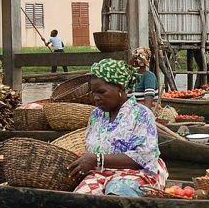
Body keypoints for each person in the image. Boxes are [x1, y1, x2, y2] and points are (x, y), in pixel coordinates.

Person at [68, 58, 168, 196]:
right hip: (100, 173)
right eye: (93, 93)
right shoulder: (96, 115)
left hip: (138, 173)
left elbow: (145, 156)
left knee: (116, 193)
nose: (96, 98)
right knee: (81, 199)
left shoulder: (141, 114)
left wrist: (98, 159)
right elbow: (91, 149)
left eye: (101, 92)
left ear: (120, 88)